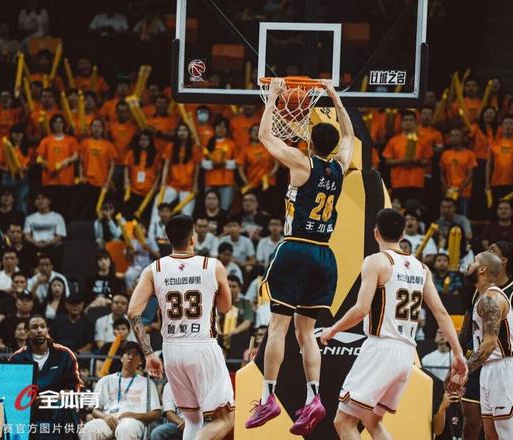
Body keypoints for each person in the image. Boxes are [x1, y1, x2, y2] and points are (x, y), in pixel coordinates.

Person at [244, 79, 354, 434]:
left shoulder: (301, 163)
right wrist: (334, 97)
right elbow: (349, 135)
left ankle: (268, 397)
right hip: (325, 255)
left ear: (310, 141)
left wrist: (274, 98)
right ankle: (314, 398)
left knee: (278, 326)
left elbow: (265, 136)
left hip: (296, 248)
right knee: (307, 333)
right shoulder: (340, 166)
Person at [319, 208, 467, 439]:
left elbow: (361, 309)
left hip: (381, 348)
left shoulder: (376, 261)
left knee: (343, 422)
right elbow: (441, 312)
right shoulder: (422, 268)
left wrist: (332, 329)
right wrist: (458, 353)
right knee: (372, 420)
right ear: (402, 234)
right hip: (406, 355)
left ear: (376, 233)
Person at [127, 215, 235, 440]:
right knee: (226, 419)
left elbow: (132, 313)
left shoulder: (153, 269)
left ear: (168, 239)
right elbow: (226, 307)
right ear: (193, 237)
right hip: (202, 346)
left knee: (193, 419)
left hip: (172, 350)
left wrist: (148, 354)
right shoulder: (212, 265)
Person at [463, 251, 513, 439]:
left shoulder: (491, 298)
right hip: (490, 368)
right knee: (491, 435)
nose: (469, 265)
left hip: (505, 368)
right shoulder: (482, 297)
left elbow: (489, 344)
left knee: (507, 435)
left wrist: (464, 372)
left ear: (482, 269)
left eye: (474, 262)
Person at [9, 315, 82, 439]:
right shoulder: (17, 358)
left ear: (47, 330)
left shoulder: (64, 354)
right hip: (29, 409)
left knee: (67, 405)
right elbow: (12, 392)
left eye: (42, 327)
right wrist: (31, 401)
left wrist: (56, 397)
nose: (39, 330)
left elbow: (74, 388)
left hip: (58, 408)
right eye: (34, 327)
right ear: (27, 332)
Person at [81, 341, 161, 440]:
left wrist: (135, 415)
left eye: (135, 354)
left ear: (141, 360)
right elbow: (95, 410)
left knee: (125, 430)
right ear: (121, 358)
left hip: (132, 421)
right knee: (88, 429)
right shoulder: (106, 380)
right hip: (108, 419)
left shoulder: (147, 383)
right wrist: (105, 417)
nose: (131, 357)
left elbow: (156, 413)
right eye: (128, 353)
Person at [152, 123, 200, 221]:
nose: (182, 133)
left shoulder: (194, 148)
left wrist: (195, 185)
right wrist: (163, 182)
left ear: (189, 133)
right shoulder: (171, 146)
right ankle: (154, 228)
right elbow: (166, 165)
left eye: (184, 130)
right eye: (180, 130)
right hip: (172, 185)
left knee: (186, 214)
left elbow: (197, 168)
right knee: (158, 201)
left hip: (188, 187)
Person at [35, 114, 80, 220]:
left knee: (65, 208)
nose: (58, 124)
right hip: (50, 180)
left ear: (64, 124)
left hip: (66, 180)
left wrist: (67, 160)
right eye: (55, 122)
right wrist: (44, 163)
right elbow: (39, 157)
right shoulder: (46, 140)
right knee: (51, 209)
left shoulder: (71, 140)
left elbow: (76, 156)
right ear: (51, 125)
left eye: (60, 122)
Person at [382, 110, 432, 203]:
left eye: (411, 120)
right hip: (398, 183)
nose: (408, 123)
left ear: (416, 123)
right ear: (401, 123)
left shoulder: (423, 141)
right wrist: (402, 161)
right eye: (406, 120)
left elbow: (427, 161)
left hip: (416, 182)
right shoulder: (393, 141)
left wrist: (417, 161)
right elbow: (387, 161)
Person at [79, 119, 117, 219]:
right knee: (87, 209)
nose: (96, 128)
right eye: (94, 126)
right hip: (88, 181)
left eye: (99, 126)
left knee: (99, 210)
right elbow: (80, 162)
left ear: (103, 129)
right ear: (91, 128)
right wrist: (81, 176)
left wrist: (108, 181)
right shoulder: (85, 143)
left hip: (102, 183)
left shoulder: (108, 145)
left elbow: (112, 165)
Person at [201, 117, 238, 210]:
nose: (221, 129)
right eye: (219, 126)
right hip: (210, 181)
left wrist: (224, 163)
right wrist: (214, 164)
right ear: (215, 127)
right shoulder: (208, 142)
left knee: (224, 208)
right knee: (209, 208)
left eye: (224, 127)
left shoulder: (231, 144)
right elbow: (202, 163)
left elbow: (237, 163)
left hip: (226, 181)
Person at [439, 127, 477, 215]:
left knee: (463, 216)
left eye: (457, 135)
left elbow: (470, 174)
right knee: (447, 215)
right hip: (449, 191)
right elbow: (441, 173)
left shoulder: (469, 154)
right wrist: (446, 186)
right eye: (452, 135)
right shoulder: (445, 154)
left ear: (462, 138)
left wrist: (460, 189)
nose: (454, 138)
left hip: (464, 191)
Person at [23, 192, 67, 268]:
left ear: (49, 201)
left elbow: (59, 236)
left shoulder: (58, 217)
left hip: (52, 246)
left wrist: (48, 243)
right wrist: (35, 242)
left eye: (43, 198)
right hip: (35, 245)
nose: (40, 201)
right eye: (38, 199)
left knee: (60, 246)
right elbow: (27, 235)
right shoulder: (30, 218)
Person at [486, 114, 513, 201]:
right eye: (506, 123)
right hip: (496, 182)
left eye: (511, 124)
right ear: (502, 126)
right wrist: (487, 183)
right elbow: (489, 164)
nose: (508, 126)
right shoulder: (494, 143)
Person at [0, 125, 32, 215]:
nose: (17, 136)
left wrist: (26, 168)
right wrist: (7, 169)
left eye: (20, 134)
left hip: (22, 178)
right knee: (6, 202)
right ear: (11, 134)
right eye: (15, 133)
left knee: (22, 201)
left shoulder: (28, 149)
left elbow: (31, 165)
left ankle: (21, 221)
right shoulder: (5, 147)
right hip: (8, 177)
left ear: (23, 135)